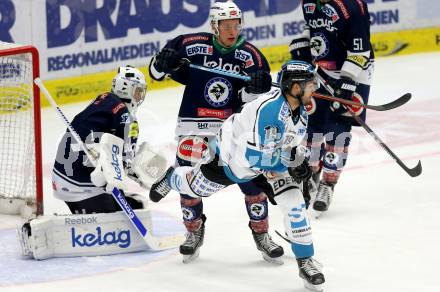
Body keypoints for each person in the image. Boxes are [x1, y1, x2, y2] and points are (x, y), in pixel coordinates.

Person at [150, 60, 326, 291]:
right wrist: (291, 164)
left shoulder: (300, 110)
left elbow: (287, 145)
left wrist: (297, 160)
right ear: (295, 88)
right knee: (192, 187)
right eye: (310, 83)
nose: (315, 87)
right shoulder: (270, 111)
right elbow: (256, 159)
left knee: (294, 205)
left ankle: (306, 262)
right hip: (231, 161)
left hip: (266, 164)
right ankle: (172, 177)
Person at [148, 1, 282, 263]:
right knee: (189, 180)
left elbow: (258, 101)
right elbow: (155, 73)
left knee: (251, 180)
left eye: (236, 25)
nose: (232, 31)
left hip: (232, 127)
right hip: (194, 123)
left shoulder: (251, 55)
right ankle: (193, 231)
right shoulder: (190, 43)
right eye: (226, 26)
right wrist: (163, 62)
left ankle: (262, 234)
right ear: (215, 26)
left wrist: (257, 88)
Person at [289, 0, 374, 214]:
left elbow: (361, 50)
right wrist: (303, 43)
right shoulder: (308, 3)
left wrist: (348, 79)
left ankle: (328, 184)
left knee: (338, 130)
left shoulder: (352, 5)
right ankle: (311, 173)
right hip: (323, 72)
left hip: (356, 71)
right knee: (312, 126)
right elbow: (314, 28)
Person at [52, 65, 160, 214]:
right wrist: (139, 172)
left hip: (63, 175)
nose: (140, 96)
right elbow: (124, 162)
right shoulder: (125, 116)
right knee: (119, 216)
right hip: (80, 185)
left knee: (129, 203)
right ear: (125, 88)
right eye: (138, 91)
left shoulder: (106, 99)